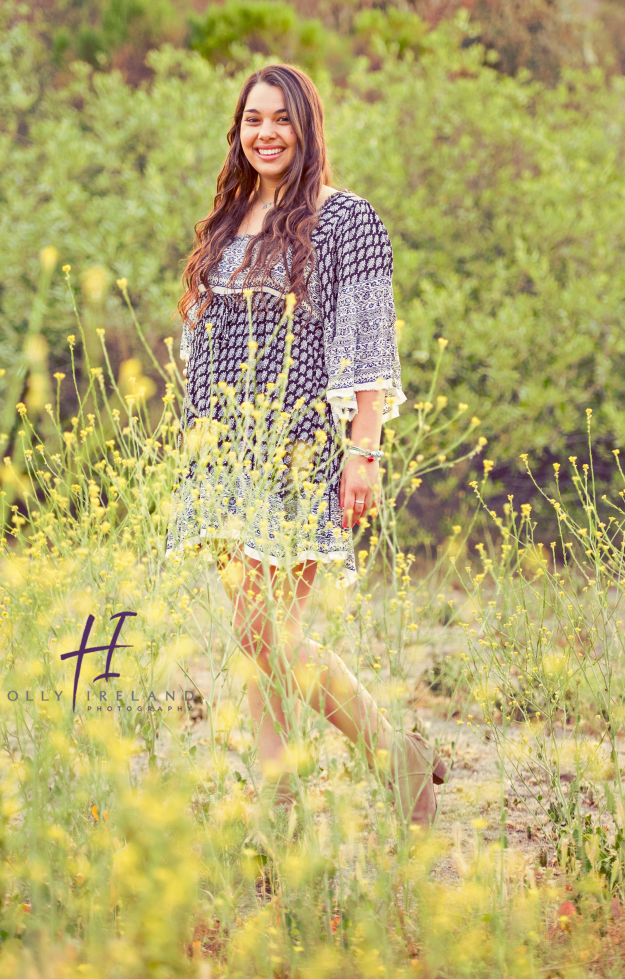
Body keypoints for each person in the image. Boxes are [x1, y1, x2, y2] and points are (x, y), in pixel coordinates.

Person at [167, 63, 446, 826]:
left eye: (280, 120)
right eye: (253, 119)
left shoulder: (346, 219)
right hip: (222, 452)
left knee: (264, 632)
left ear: (307, 128)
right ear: (238, 131)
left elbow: (364, 343)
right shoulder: (228, 221)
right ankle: (284, 811)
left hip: (297, 448)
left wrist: (365, 452)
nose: (265, 133)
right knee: (264, 642)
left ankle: (394, 757)